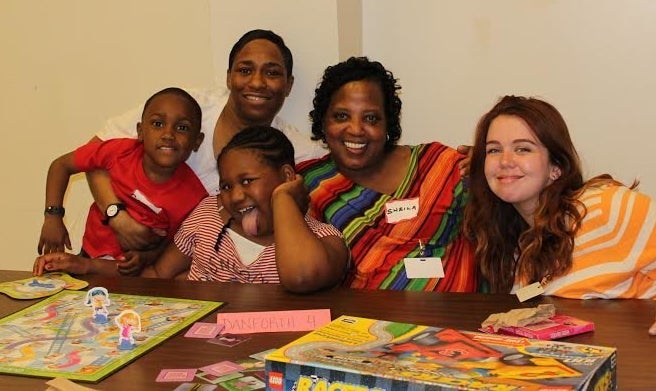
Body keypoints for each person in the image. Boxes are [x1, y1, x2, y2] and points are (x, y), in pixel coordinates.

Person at [85, 29, 326, 253]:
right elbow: (94, 151)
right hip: (101, 247)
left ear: (289, 85)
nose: (257, 82)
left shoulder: (298, 150)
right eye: (245, 70)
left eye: (272, 73)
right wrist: (117, 216)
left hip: (182, 266)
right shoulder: (183, 109)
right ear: (229, 78)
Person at [35, 126, 349, 294]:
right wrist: (86, 267)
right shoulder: (208, 216)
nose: (236, 196)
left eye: (247, 181)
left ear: (286, 178)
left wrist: (283, 201)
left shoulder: (322, 239)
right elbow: (157, 275)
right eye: (226, 186)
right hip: (198, 353)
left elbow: (304, 276)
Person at [297, 57, 477, 292]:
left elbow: (503, 224)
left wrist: (491, 165)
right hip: (364, 323)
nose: (355, 129)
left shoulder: (439, 163)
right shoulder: (310, 182)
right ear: (322, 121)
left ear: (388, 124)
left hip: (455, 317)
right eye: (341, 116)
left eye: (370, 118)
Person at [462, 96, 656, 307]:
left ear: (556, 167)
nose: (505, 161)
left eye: (523, 149)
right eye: (494, 150)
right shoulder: (517, 248)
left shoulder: (604, 207)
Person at [36, 87, 207, 275]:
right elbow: (61, 165)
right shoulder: (119, 152)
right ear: (140, 131)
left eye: (182, 128)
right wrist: (53, 217)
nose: (168, 134)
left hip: (133, 274)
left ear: (196, 141)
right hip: (87, 257)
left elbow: (175, 245)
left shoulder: (193, 198)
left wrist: (148, 256)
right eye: (157, 124)